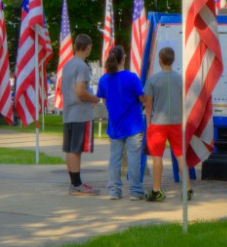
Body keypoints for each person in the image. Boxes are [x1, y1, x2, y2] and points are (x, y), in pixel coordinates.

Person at [96, 46, 147, 200]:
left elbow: (104, 100)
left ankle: (114, 190)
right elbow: (142, 98)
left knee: (115, 159)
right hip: (133, 125)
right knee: (133, 159)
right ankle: (136, 191)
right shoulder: (132, 77)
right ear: (124, 58)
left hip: (115, 126)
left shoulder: (104, 79)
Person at [142, 47, 186, 202]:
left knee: (157, 157)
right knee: (180, 156)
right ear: (172, 60)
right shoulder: (180, 79)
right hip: (176, 122)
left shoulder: (153, 79)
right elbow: (183, 101)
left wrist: (148, 123)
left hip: (158, 123)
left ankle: (156, 189)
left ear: (159, 60)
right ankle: (187, 189)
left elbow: (148, 104)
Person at [58, 32, 98, 195]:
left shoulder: (67, 65)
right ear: (88, 48)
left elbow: (61, 89)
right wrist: (95, 98)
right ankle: (76, 185)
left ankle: (75, 183)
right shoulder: (82, 66)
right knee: (76, 150)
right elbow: (81, 91)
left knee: (70, 149)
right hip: (80, 114)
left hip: (68, 113)